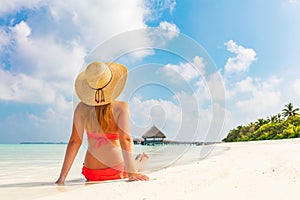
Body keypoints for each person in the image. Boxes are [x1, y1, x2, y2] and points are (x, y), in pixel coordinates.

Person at [55, 62, 149, 184]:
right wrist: (131, 174)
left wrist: (62, 178)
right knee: (143, 160)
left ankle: (138, 161)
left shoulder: (81, 108)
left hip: (92, 172)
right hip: (117, 168)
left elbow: (74, 142)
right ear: (112, 85)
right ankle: (139, 161)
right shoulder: (121, 107)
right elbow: (125, 139)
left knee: (138, 160)